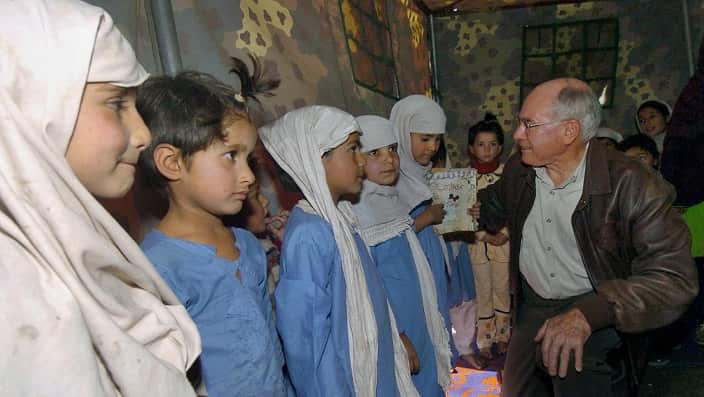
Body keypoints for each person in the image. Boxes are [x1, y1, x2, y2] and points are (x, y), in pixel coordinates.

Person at [0, 0, 202, 395]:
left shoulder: (73, 242)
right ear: (33, 101)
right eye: (116, 103)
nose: (143, 134)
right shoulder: (18, 291)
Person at [470, 77, 697, 397]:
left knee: (575, 373)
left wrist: (590, 313)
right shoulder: (519, 170)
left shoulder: (632, 184)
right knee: (515, 390)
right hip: (533, 304)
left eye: (528, 124)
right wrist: (484, 215)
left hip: (598, 300)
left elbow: (674, 278)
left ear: (569, 131)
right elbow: (498, 197)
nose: (518, 134)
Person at [137, 62, 290, 396]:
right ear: (172, 163)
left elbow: (270, 344)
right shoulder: (156, 268)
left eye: (248, 159)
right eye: (230, 156)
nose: (249, 177)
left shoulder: (248, 245)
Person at [260, 106, 419, 397]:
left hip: (377, 365)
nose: (361, 160)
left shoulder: (342, 218)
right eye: (352, 149)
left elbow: (372, 292)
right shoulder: (310, 234)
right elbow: (307, 343)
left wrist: (396, 336)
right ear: (316, 158)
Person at [351, 115, 451, 396]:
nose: (389, 159)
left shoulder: (391, 198)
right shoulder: (358, 212)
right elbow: (370, 285)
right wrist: (396, 333)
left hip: (418, 314)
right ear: (356, 159)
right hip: (396, 322)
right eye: (375, 152)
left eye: (393, 149)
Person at [390, 95, 458, 364]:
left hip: (430, 256)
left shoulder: (425, 172)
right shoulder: (388, 177)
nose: (432, 147)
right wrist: (426, 217)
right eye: (425, 138)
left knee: (437, 315)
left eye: (437, 139)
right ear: (403, 131)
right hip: (407, 266)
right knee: (419, 324)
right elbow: (387, 237)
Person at [466, 113, 511, 361]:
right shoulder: (463, 179)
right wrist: (483, 234)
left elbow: (518, 210)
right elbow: (459, 215)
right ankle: (484, 338)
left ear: (500, 147)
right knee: (482, 291)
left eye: (492, 144)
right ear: (471, 148)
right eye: (481, 144)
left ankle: (503, 335)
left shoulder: (509, 176)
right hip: (477, 245)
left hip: (504, 245)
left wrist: (504, 234)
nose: (487, 149)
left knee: (502, 290)